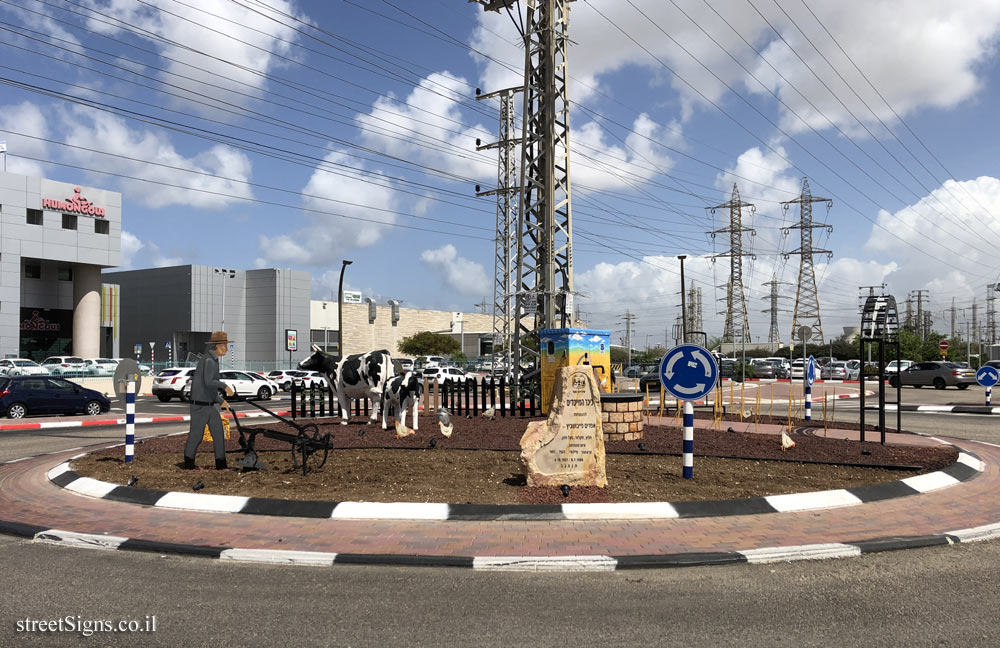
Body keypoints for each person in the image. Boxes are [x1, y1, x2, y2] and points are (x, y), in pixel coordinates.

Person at [183, 331, 235, 470]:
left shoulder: (213, 360)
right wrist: (225, 387)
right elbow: (209, 382)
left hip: (209, 405)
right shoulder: (208, 361)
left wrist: (221, 401)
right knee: (196, 436)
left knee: (218, 433)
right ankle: (188, 463)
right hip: (200, 406)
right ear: (217, 346)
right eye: (224, 345)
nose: (226, 348)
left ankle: (221, 464)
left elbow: (209, 389)